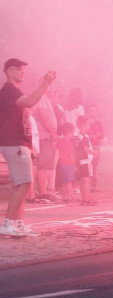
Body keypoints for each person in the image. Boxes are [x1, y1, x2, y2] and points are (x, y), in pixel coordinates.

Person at [0, 58, 56, 237]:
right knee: (25, 183)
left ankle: (17, 223)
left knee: (20, 184)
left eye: (24, 69)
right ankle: (8, 223)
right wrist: (45, 84)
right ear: (8, 71)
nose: (22, 72)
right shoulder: (8, 90)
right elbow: (31, 101)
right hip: (14, 143)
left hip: (18, 142)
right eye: (18, 69)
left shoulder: (13, 91)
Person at [30, 90, 60, 203]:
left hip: (43, 137)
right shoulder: (41, 96)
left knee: (46, 166)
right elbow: (45, 117)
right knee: (42, 166)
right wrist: (53, 133)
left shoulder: (45, 98)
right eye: (50, 84)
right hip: (42, 137)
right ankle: (42, 192)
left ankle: (43, 191)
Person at [72, 116, 97, 206]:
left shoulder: (79, 136)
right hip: (85, 160)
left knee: (83, 180)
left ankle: (85, 198)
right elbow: (85, 148)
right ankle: (86, 199)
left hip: (80, 160)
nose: (89, 127)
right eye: (88, 125)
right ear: (82, 125)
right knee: (86, 181)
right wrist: (93, 152)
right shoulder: (84, 136)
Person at [82, 103, 104, 190]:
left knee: (95, 166)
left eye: (94, 111)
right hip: (88, 147)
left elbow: (102, 134)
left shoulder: (98, 123)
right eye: (90, 111)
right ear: (87, 112)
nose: (92, 113)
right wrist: (92, 136)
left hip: (96, 146)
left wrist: (99, 135)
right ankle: (87, 185)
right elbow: (84, 133)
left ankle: (94, 186)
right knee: (88, 166)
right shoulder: (86, 123)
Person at [55, 122, 77, 202]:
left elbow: (55, 149)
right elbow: (71, 155)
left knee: (64, 181)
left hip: (61, 164)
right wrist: (74, 165)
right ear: (69, 132)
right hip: (69, 164)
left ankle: (65, 196)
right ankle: (70, 197)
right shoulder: (70, 143)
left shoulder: (59, 141)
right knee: (69, 181)